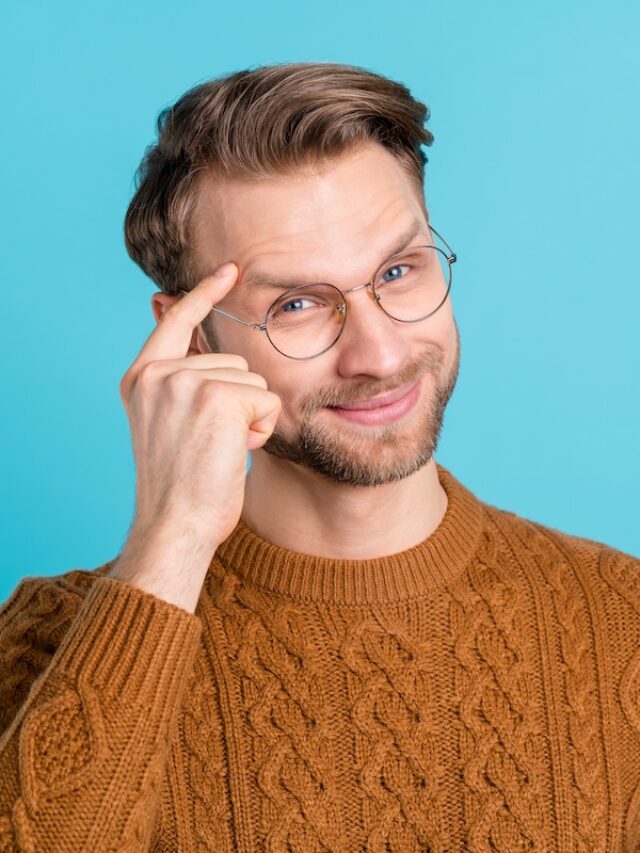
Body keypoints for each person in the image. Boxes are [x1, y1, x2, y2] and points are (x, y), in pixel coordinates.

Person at [0, 61, 638, 853]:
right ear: (192, 337)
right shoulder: (54, 642)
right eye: (296, 304)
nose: (378, 352)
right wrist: (172, 540)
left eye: (398, 272)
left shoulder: (624, 620)